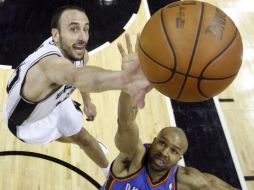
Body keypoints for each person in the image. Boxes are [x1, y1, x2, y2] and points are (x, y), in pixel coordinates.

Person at [2, 5, 149, 172]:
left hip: (54, 102)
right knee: (71, 136)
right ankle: (99, 162)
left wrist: (87, 101)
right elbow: (75, 76)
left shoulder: (79, 53)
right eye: (73, 29)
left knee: (84, 138)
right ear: (56, 35)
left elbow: (81, 75)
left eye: (85, 29)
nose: (82, 37)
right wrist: (122, 79)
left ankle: (106, 170)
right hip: (27, 124)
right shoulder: (49, 64)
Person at [100, 35, 238, 190]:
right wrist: (127, 87)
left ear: (179, 158)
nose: (164, 152)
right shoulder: (133, 158)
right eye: (162, 143)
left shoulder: (186, 180)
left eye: (174, 151)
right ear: (153, 141)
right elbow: (125, 123)